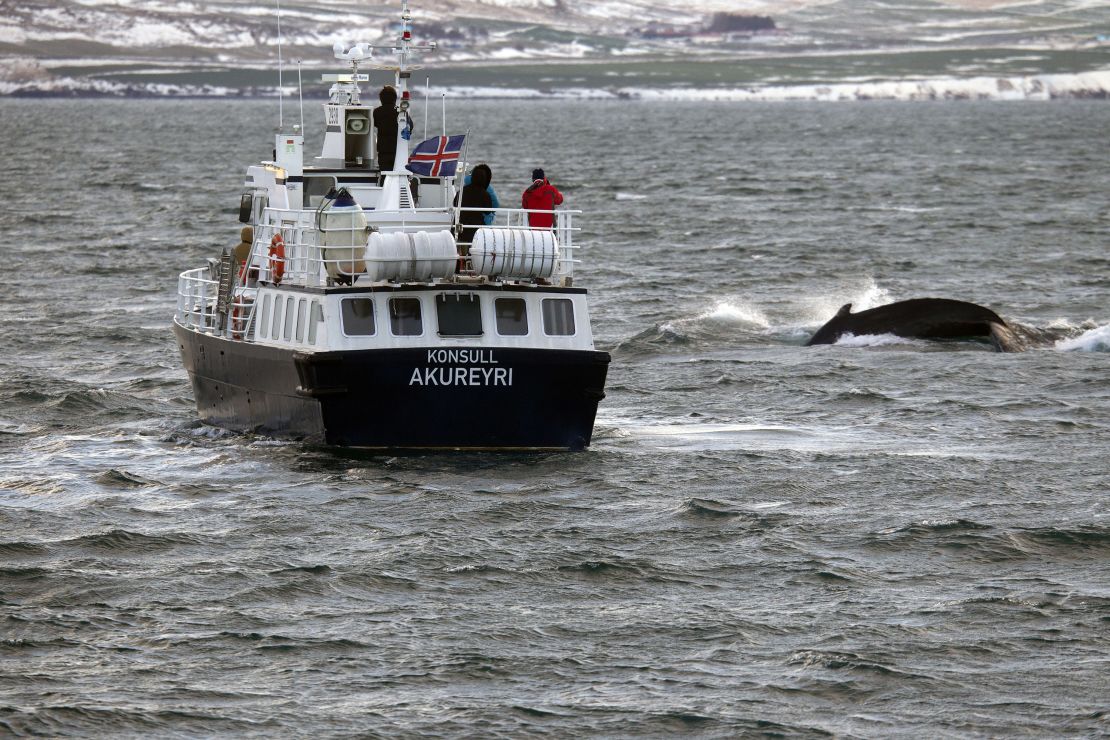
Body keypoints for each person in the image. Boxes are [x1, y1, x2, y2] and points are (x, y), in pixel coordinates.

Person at [454, 164, 493, 253]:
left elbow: (455, 204)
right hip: (476, 231)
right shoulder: (485, 194)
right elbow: (488, 211)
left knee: (461, 253)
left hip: (461, 229)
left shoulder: (462, 191)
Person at [372, 85, 413, 173]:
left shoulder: (377, 112)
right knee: (399, 174)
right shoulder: (400, 111)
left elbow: (374, 124)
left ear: (381, 99)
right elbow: (410, 126)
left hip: (383, 151)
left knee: (385, 175)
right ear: (394, 98)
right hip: (399, 151)